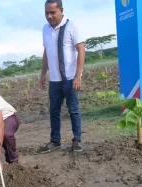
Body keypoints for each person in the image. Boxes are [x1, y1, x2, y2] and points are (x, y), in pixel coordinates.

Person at [38, 0, 85, 153]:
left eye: (53, 12)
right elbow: (46, 52)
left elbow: (81, 50)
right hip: (55, 80)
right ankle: (55, 141)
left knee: (73, 110)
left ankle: (77, 140)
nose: (49, 16)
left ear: (61, 10)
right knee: (54, 111)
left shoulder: (72, 26)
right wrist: (43, 74)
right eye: (47, 13)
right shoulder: (45, 29)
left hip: (71, 77)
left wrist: (78, 76)